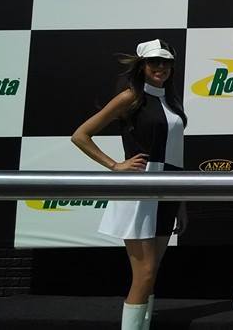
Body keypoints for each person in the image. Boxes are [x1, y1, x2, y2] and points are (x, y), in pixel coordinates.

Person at [71, 39, 187, 330]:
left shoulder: (171, 101)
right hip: (140, 189)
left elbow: (176, 155)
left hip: (169, 190)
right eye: (154, 62)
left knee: (151, 271)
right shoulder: (131, 97)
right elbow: (81, 135)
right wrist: (115, 165)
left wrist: (181, 202)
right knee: (145, 272)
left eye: (166, 62)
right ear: (142, 66)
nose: (161, 67)